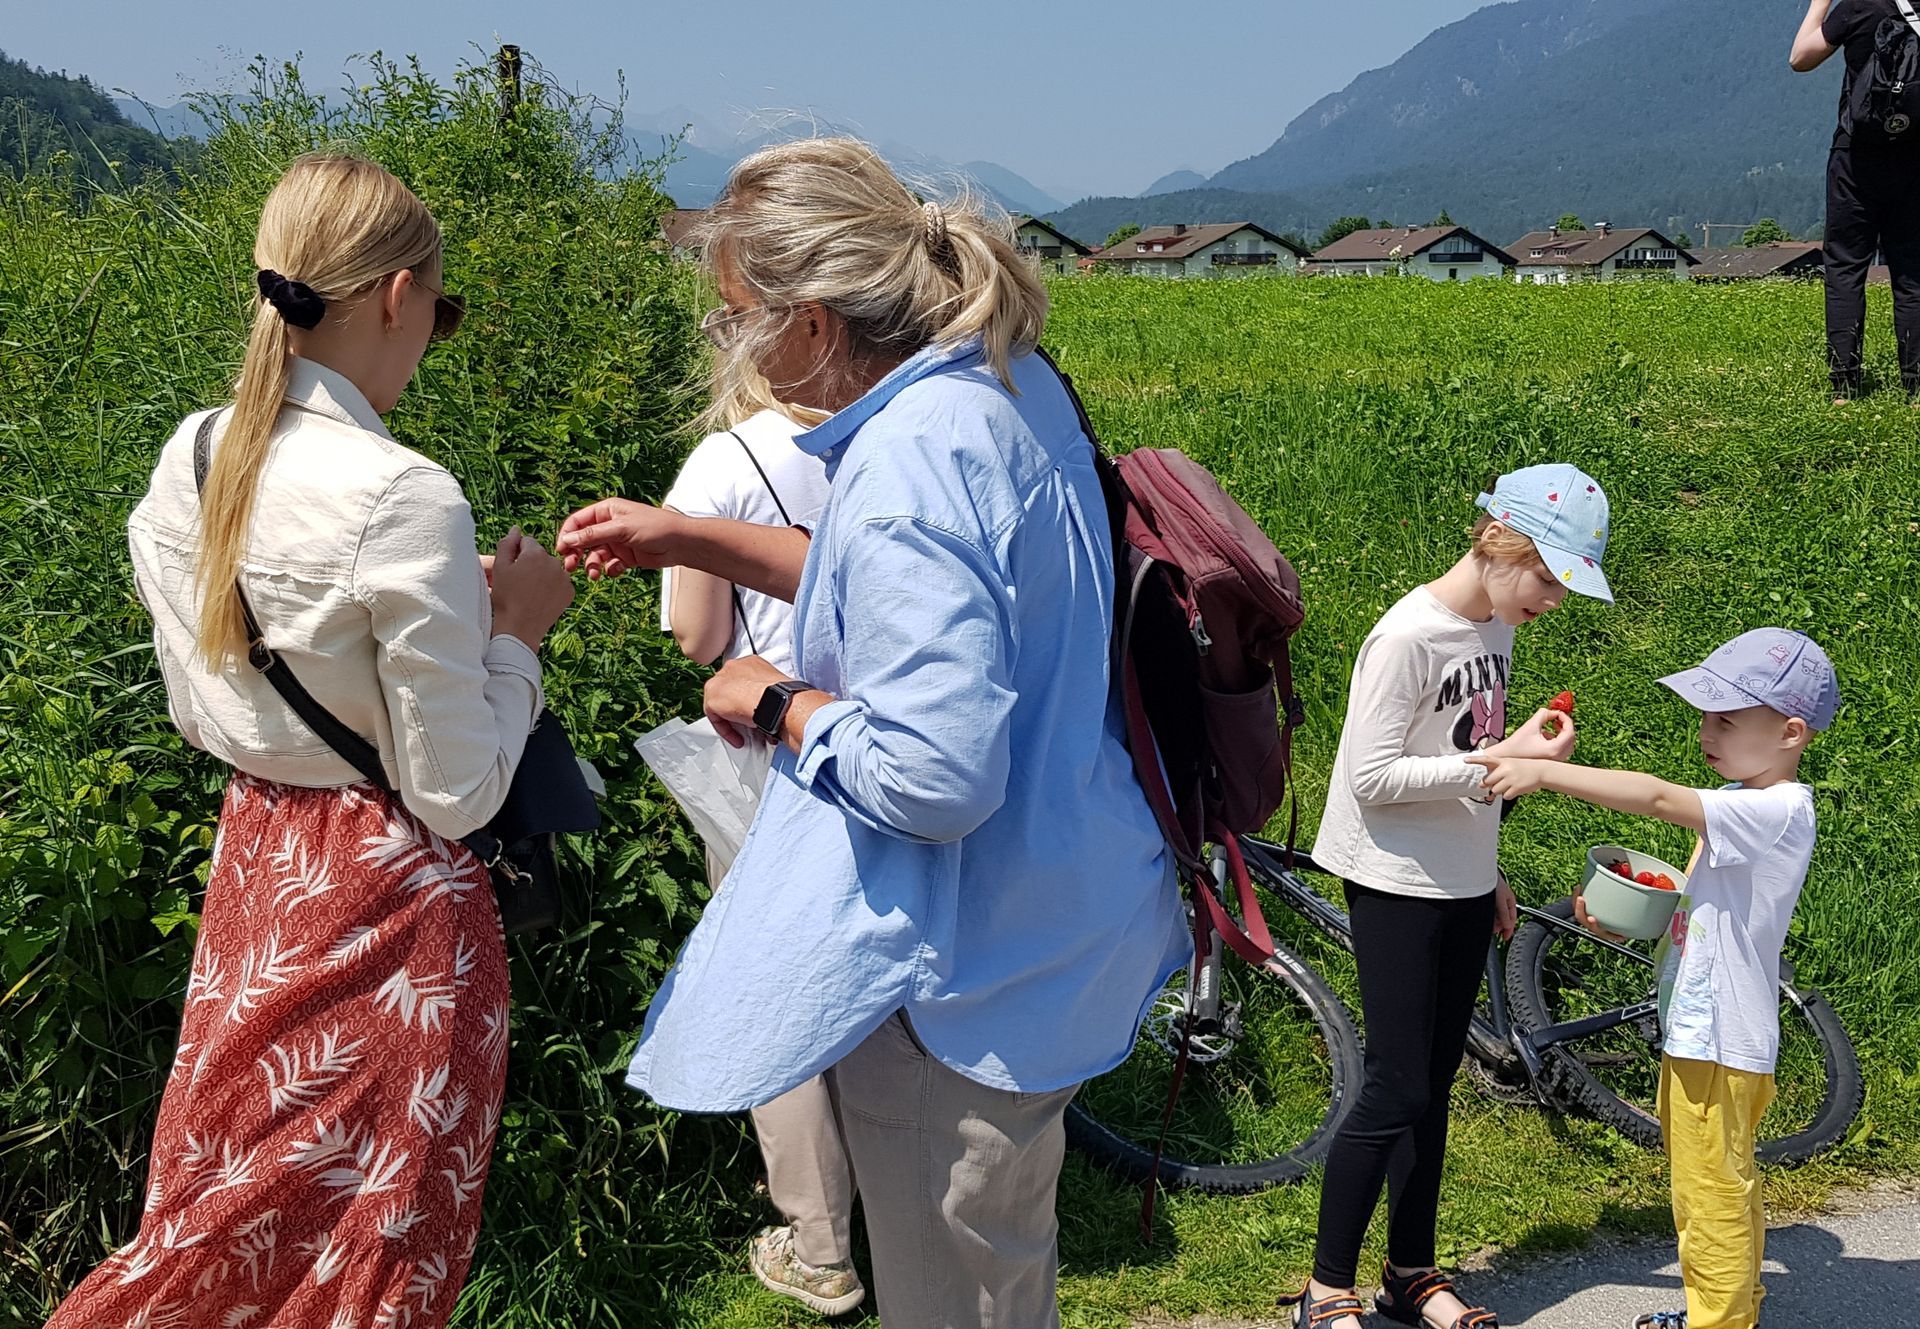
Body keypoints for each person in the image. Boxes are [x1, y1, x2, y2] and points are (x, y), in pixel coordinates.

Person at [556, 137, 1187, 1327]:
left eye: (734, 318)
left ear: (809, 320)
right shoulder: (1001, 384)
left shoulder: (907, 458)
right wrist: (688, 538)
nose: (727, 344)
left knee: (952, 1298)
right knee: (1005, 1272)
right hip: (1059, 908)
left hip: (958, 966)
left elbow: (936, 776)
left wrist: (778, 703)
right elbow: (907, 588)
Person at [49, 153, 575, 1329]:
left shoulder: (193, 455)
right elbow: (455, 794)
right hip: (392, 914)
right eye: (439, 311)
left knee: (221, 1210)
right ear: (397, 296)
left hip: (263, 873)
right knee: (366, 1249)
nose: (432, 337)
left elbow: (203, 709)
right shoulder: (404, 495)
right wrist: (517, 638)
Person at [1283, 465, 1614, 1329]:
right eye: (1548, 578)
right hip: (1394, 880)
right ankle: (1323, 1290)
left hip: (1462, 879)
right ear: (1502, 543)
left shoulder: (1495, 626)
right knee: (1395, 1085)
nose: (1554, 599)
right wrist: (1499, 769)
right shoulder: (1409, 635)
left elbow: (1468, 750)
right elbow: (1372, 775)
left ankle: (1411, 1272)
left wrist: (1491, 859)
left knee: (1432, 1081)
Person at [1471, 629, 1838, 1329]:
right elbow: (1704, 907)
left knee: (1711, 1191)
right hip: (1702, 1031)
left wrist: (1545, 772)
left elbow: (1659, 798)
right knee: (1714, 1181)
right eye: (1705, 715)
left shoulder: (1777, 808)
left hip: (1721, 1038)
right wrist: (1626, 914)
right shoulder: (1742, 799)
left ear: (1791, 731)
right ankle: (1729, 1306)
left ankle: (1718, 1320)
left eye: (1727, 719)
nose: (1707, 730)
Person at [656, 382, 861, 1316]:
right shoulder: (883, 435)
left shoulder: (726, 463)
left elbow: (700, 636)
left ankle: (822, 1247)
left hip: (777, 752)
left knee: (773, 990)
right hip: (882, 743)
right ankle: (907, 1207)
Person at [1791, 0, 1920, 400]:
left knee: (1846, 268)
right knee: (1913, 276)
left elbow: (1800, 58)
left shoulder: (1861, 6)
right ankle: (1915, 389)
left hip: (1855, 157)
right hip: (1915, 158)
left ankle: (1845, 387)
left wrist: (1819, 4)